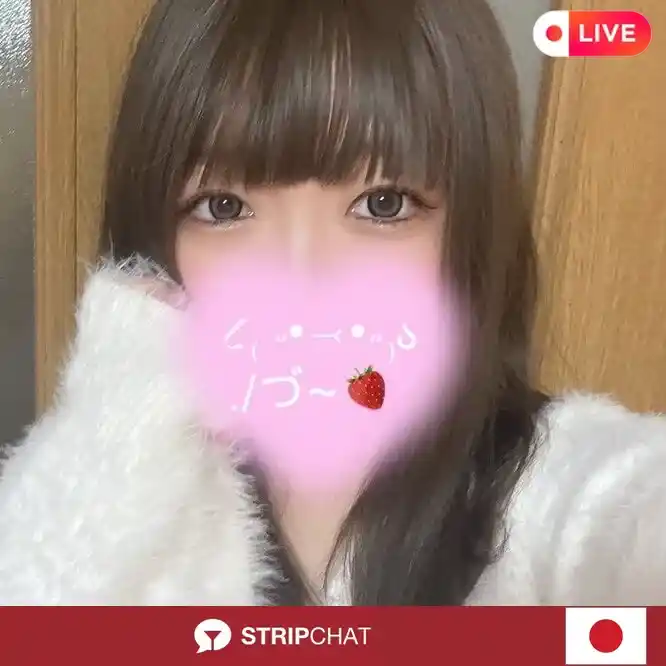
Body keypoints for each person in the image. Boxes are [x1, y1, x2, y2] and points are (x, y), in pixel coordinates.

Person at [1, 0, 665, 606]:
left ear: (470, 229)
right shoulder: (128, 478)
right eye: (223, 207)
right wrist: (120, 423)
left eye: (382, 204)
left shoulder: (543, 484)